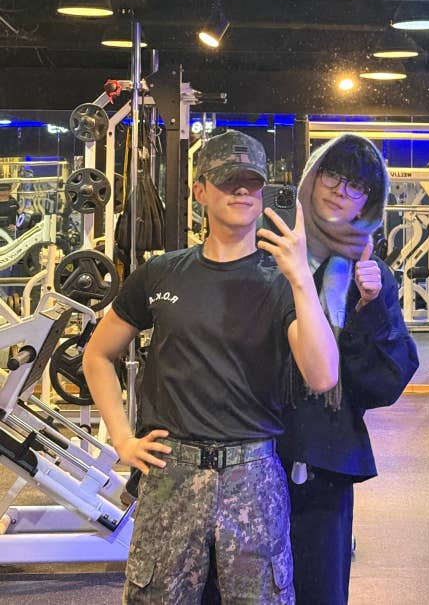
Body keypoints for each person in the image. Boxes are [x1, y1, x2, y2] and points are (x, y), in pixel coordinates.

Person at [82, 130, 339, 604]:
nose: (241, 190)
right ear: (199, 191)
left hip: (252, 475)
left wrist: (302, 276)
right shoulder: (161, 273)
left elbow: (322, 376)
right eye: (227, 180)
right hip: (171, 471)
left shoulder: (283, 281)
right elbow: (97, 355)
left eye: (252, 182)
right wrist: (121, 439)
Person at [278, 134, 419, 605]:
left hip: (322, 461)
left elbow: (383, 384)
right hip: (250, 449)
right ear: (312, 177)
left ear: (368, 201)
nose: (340, 190)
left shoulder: (369, 274)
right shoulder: (266, 252)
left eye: (356, 185)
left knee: (318, 590)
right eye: (333, 175)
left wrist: (371, 307)